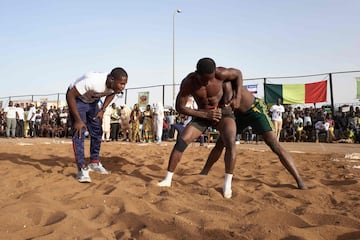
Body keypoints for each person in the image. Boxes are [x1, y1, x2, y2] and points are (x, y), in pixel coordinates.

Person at [158, 57, 243, 199]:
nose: (208, 82)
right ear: (197, 74)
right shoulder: (189, 82)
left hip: (223, 112)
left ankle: (227, 184)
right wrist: (204, 114)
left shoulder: (220, 73)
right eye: (204, 80)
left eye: (210, 79)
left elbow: (238, 74)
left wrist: (238, 97)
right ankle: (168, 179)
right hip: (202, 114)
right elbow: (180, 107)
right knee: (181, 141)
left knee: (230, 141)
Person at [200, 82, 307, 190]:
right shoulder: (208, 90)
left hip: (254, 109)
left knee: (274, 144)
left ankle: (299, 180)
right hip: (237, 114)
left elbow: (233, 103)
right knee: (221, 142)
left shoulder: (224, 80)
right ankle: (204, 172)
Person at [66, 68, 128, 183]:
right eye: (121, 84)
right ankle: (82, 168)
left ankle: (94, 162)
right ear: (112, 79)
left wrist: (102, 110)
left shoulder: (114, 86)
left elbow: (112, 93)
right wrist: (78, 120)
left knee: (97, 130)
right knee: (79, 130)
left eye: (125, 84)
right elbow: (70, 95)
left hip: (92, 102)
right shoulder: (93, 82)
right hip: (77, 99)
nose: (123, 87)